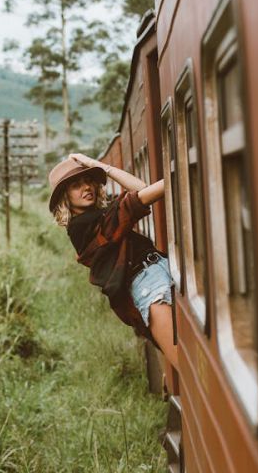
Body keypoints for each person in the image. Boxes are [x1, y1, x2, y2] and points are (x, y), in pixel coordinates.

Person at [47, 153, 178, 367]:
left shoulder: (102, 215)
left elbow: (141, 188)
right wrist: (180, 172)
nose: (87, 187)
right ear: (65, 197)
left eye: (88, 180)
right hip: (148, 285)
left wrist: (99, 167)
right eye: (76, 186)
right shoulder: (81, 226)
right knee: (187, 364)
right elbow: (145, 194)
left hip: (162, 268)